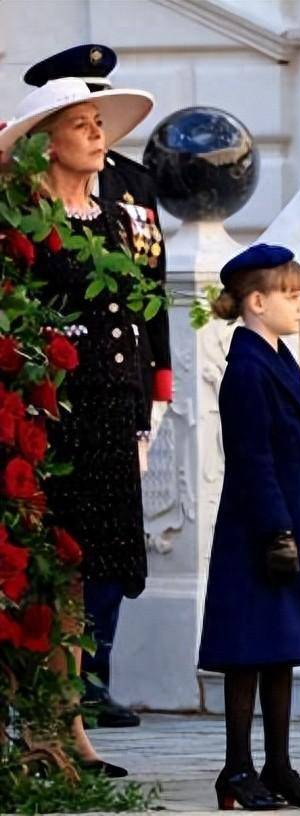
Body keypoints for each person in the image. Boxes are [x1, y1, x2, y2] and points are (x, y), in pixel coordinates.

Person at [0, 76, 158, 777]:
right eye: (83, 124)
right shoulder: (21, 216)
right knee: (47, 571)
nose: (99, 135)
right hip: (53, 410)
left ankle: (73, 730)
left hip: (108, 409)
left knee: (85, 571)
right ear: (47, 143)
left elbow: (137, 317)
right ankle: (41, 725)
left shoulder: (115, 218)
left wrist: (140, 411)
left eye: (101, 122)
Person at [198, 244, 300, 811]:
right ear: (257, 302)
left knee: (278, 650)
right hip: (260, 531)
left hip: (287, 524)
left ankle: (277, 765)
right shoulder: (247, 370)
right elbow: (252, 458)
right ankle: (236, 769)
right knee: (247, 653)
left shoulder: (278, 358)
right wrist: (277, 531)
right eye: (291, 295)